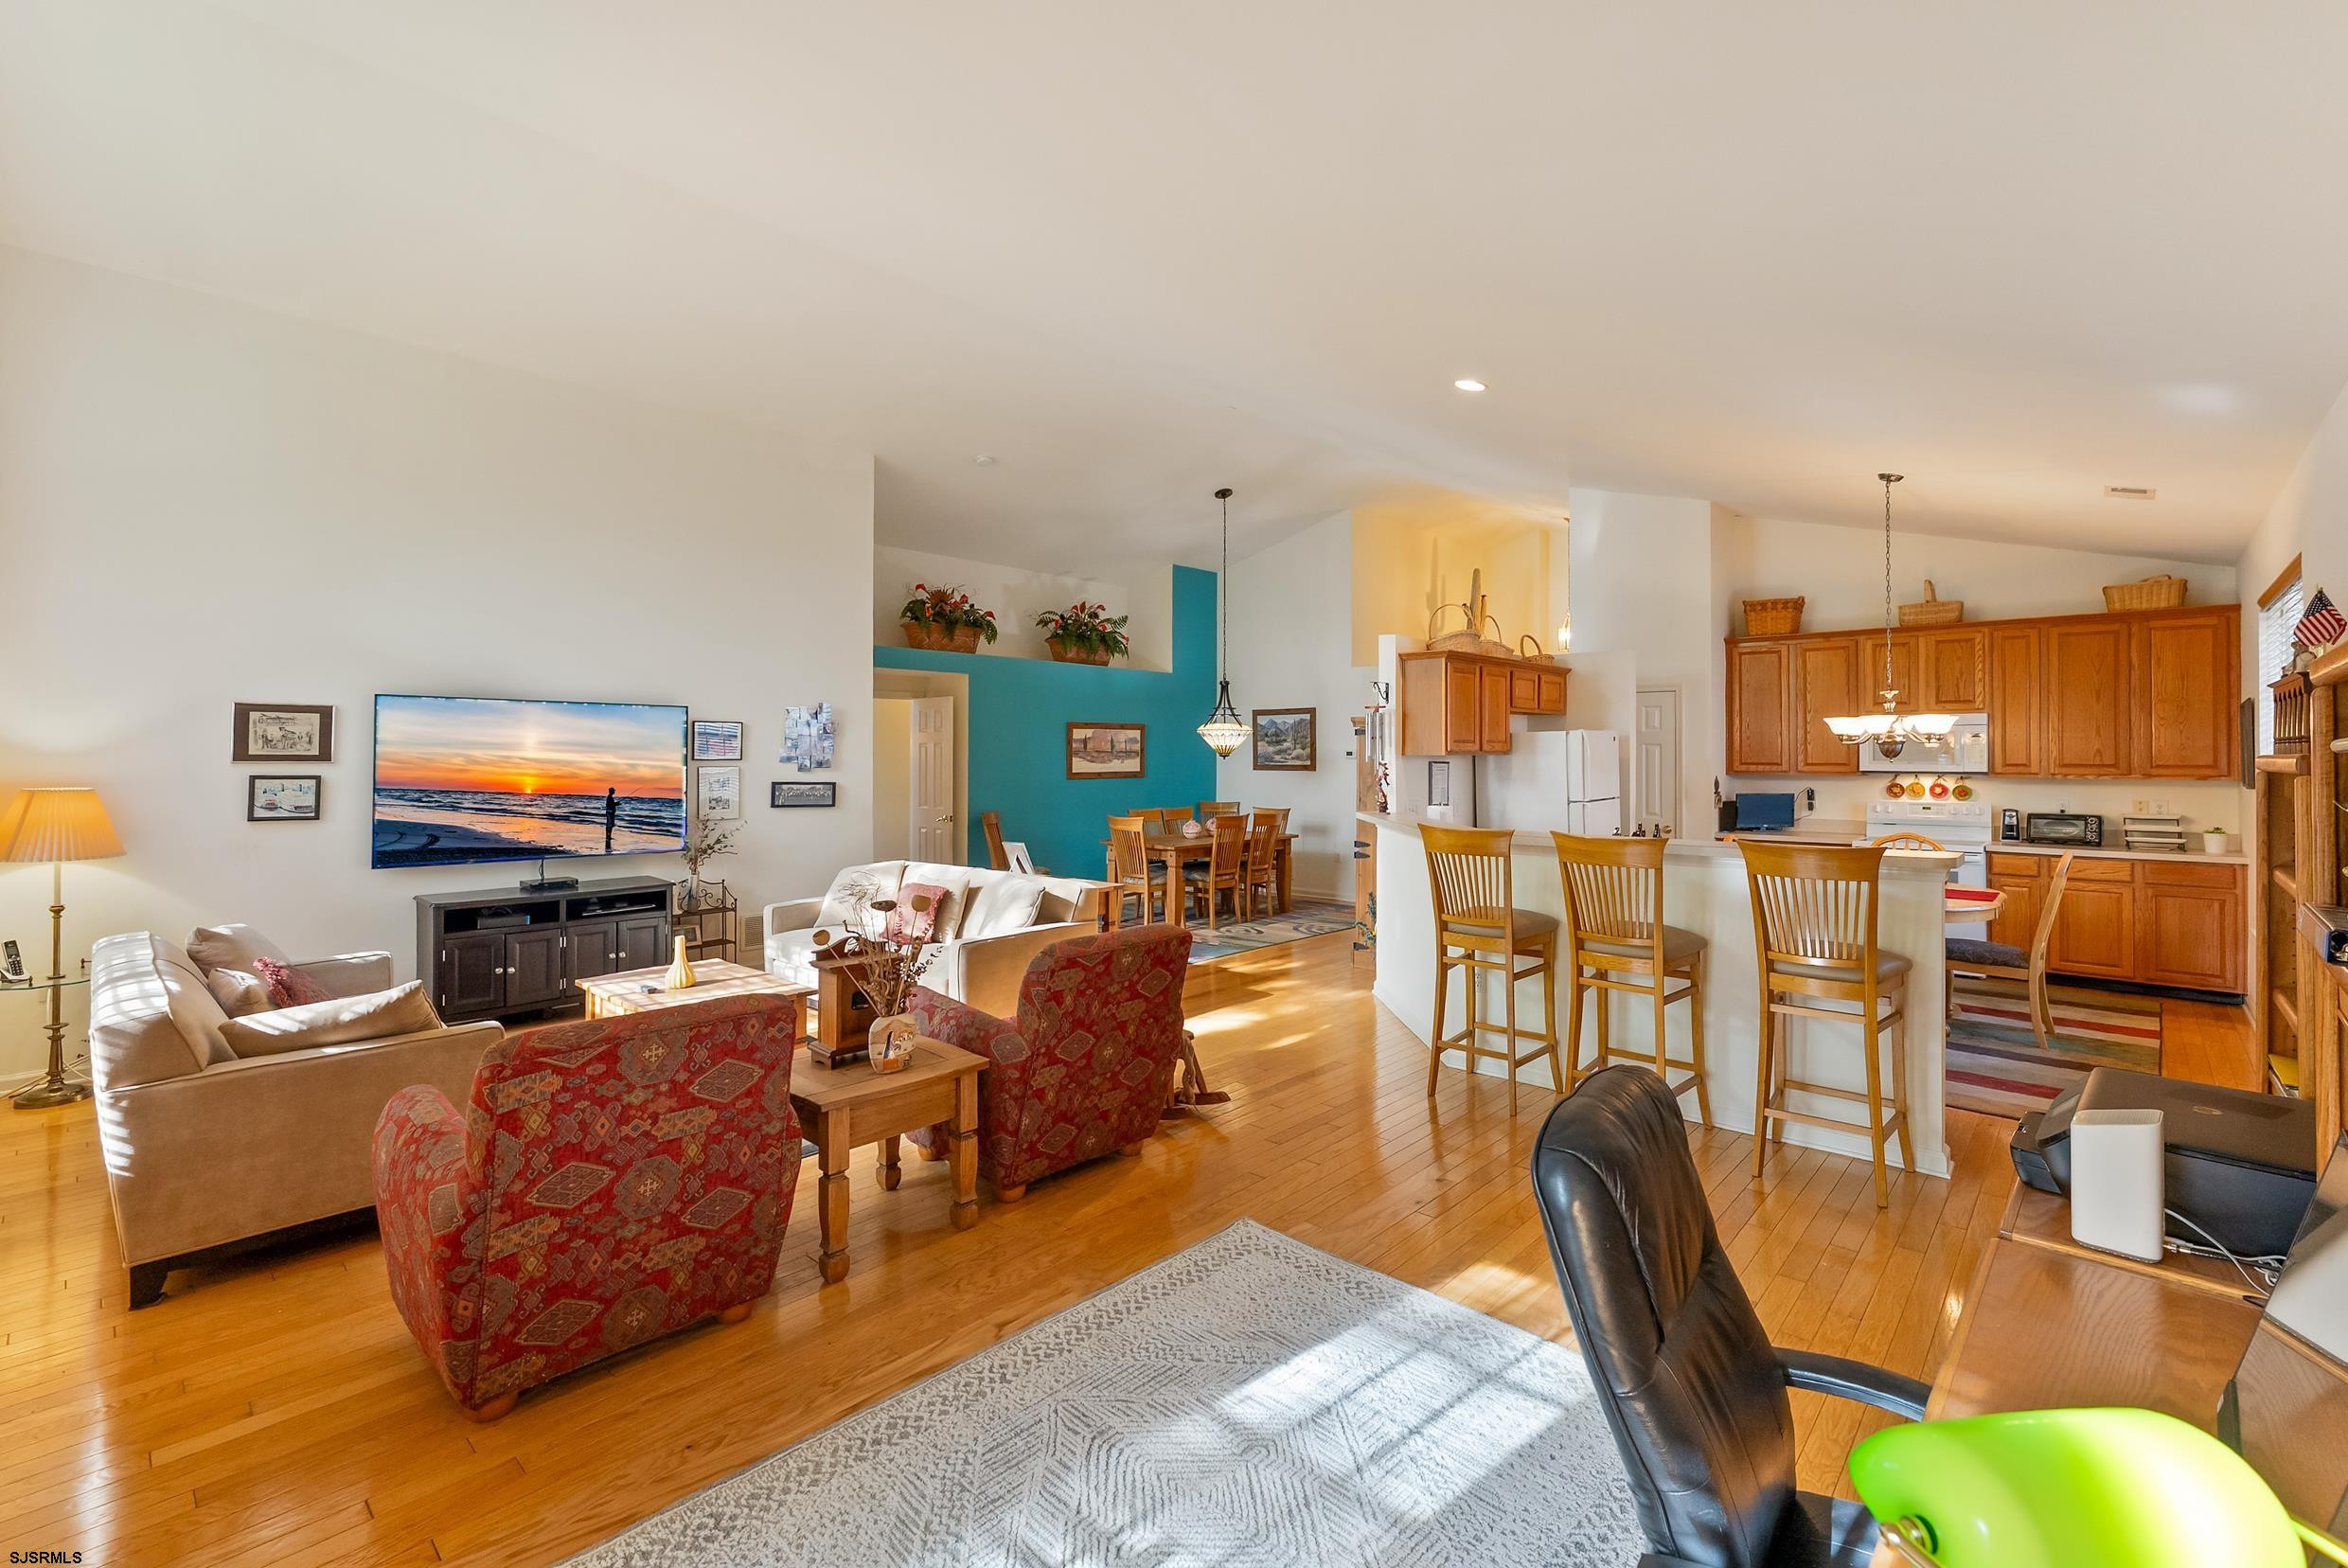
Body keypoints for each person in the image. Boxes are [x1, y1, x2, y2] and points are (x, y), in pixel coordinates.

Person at [603, 787, 618, 854]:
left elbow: (611, 804)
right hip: (610, 813)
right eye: (613, 791)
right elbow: (610, 804)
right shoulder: (609, 797)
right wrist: (616, 804)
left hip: (611, 812)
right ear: (611, 791)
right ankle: (608, 836)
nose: (614, 792)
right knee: (609, 825)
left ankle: (608, 836)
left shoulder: (610, 797)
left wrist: (616, 804)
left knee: (610, 825)